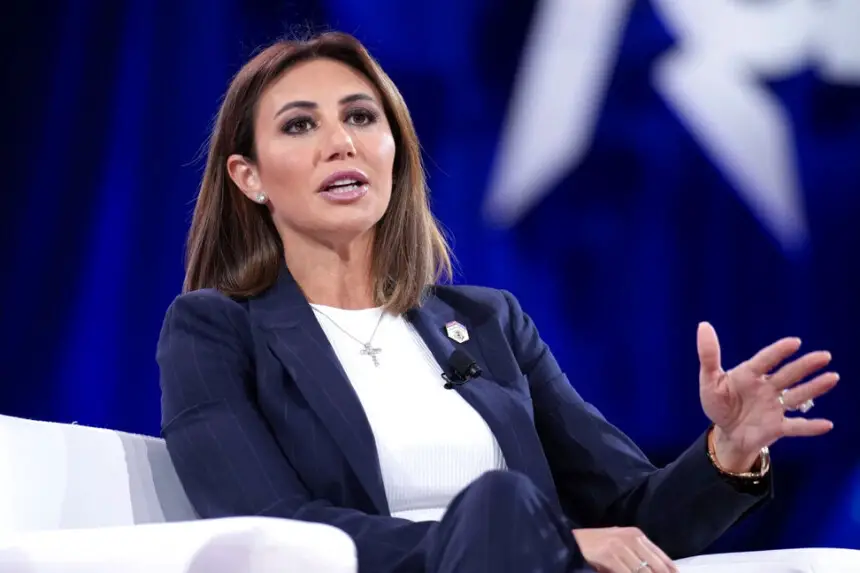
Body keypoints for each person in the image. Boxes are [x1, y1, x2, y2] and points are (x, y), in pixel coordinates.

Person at [156, 31, 838, 573]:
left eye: (362, 117)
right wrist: (538, 541)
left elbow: (634, 518)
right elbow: (271, 523)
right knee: (503, 502)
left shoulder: (487, 322)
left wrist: (726, 449)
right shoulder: (214, 331)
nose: (341, 142)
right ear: (248, 178)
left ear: (395, 149)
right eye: (300, 126)